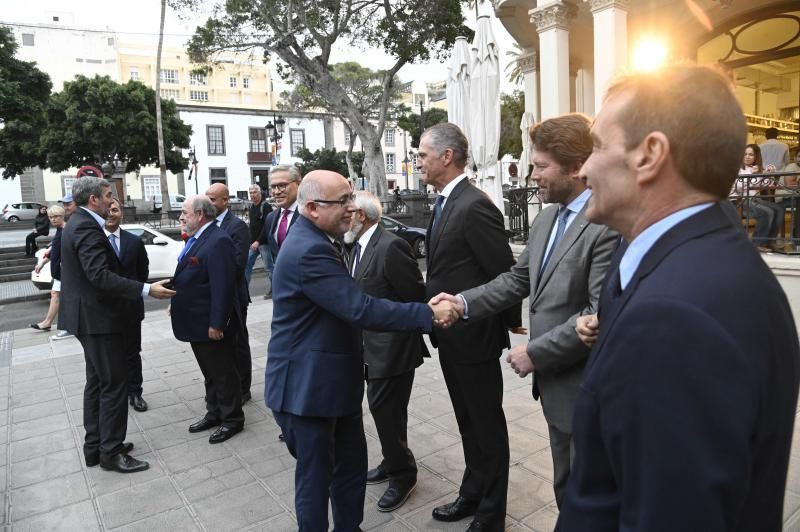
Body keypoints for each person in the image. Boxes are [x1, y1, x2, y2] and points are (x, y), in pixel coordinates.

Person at [554, 64, 800, 531]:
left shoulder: (674, 318)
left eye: (598, 147)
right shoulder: (713, 263)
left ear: (650, 154)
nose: (584, 168)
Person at [431, 113, 618, 507]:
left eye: (540, 165)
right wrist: (462, 302)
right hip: (553, 385)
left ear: (575, 166)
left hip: (585, 384)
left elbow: (599, 311)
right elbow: (516, 280)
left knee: (588, 493)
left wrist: (536, 351)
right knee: (565, 485)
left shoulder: (606, 224)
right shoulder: (547, 218)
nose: (531, 175)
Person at [265, 170, 454, 532]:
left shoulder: (320, 238)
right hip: (306, 392)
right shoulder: (309, 250)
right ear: (313, 207)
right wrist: (427, 314)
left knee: (350, 468)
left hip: (332, 385)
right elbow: (361, 309)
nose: (353, 208)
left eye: (351, 198)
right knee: (316, 479)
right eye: (343, 201)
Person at [419, 123, 522, 532]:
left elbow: (503, 273)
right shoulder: (446, 202)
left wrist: (510, 325)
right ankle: (472, 492)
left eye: (424, 154)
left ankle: (491, 513)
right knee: (468, 422)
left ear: (447, 157)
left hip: (474, 338)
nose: (419, 162)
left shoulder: (475, 205)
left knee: (486, 426)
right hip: (452, 338)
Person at [58, 176, 174, 473]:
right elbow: (99, 275)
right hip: (99, 320)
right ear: (93, 199)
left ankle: (96, 446)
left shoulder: (79, 222)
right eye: (108, 194)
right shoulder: (85, 225)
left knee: (97, 382)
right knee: (113, 384)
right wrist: (147, 289)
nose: (113, 200)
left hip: (91, 318)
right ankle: (111, 451)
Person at [345, 191, 428, 513]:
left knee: (386, 412)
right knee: (387, 415)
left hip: (393, 350)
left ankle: (403, 475)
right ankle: (390, 461)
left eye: (348, 211)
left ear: (362, 216)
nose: (344, 216)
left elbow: (413, 297)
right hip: (369, 348)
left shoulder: (390, 246)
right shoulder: (355, 246)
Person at [171, 195, 245, 444]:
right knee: (210, 372)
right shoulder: (199, 238)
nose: (181, 217)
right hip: (195, 320)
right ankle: (214, 412)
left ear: (200, 215)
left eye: (184, 212)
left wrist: (217, 323)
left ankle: (232, 419)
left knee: (223, 372)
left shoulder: (218, 240)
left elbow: (222, 286)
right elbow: (192, 275)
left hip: (210, 323)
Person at [206, 183, 253, 403]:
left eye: (213, 199)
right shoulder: (206, 225)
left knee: (238, 341)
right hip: (214, 297)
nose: (209, 202)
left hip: (234, 297)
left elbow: (237, 264)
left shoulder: (237, 227)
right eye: (207, 198)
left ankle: (244, 388)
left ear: (225, 201)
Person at [104, 199, 149, 412]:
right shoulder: (95, 241)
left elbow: (143, 272)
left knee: (132, 353)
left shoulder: (134, 241)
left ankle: (135, 392)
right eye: (108, 210)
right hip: (105, 311)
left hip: (131, 308)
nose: (111, 213)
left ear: (121, 213)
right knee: (110, 356)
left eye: (115, 210)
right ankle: (116, 394)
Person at [253, 165, 301, 297]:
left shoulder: (310, 214)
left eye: (282, 185)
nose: (277, 191)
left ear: (298, 184)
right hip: (283, 292)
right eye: (273, 187)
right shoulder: (271, 218)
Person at [735, 143, 783, 252]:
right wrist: (753, 175)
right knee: (767, 212)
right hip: (742, 202)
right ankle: (757, 243)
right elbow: (738, 186)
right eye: (745, 154)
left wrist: (766, 172)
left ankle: (770, 242)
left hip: (755, 200)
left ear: (756, 157)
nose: (747, 157)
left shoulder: (756, 168)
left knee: (779, 209)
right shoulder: (738, 169)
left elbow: (767, 183)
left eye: (751, 155)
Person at [29, 204, 66, 332]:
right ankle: (48, 322)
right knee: (56, 294)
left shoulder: (67, 231)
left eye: (56, 216)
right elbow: (54, 250)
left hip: (65, 271)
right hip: (59, 271)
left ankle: (50, 323)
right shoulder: (60, 230)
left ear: (62, 216)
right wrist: (42, 263)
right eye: (50, 217)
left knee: (58, 295)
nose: (53, 219)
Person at [51, 194, 78, 341]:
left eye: (68, 203)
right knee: (61, 296)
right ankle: (64, 326)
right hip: (63, 270)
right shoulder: (67, 225)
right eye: (64, 204)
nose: (66, 206)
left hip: (68, 270)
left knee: (66, 298)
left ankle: (68, 327)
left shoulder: (70, 224)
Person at [244, 184, 273, 295]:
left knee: (269, 268)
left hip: (264, 243)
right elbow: (252, 226)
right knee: (246, 265)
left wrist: (259, 241)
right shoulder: (252, 207)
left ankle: (274, 290)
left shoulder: (265, 206)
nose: (252, 195)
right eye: (250, 192)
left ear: (260, 193)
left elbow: (267, 225)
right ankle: (244, 290)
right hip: (253, 243)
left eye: (254, 192)